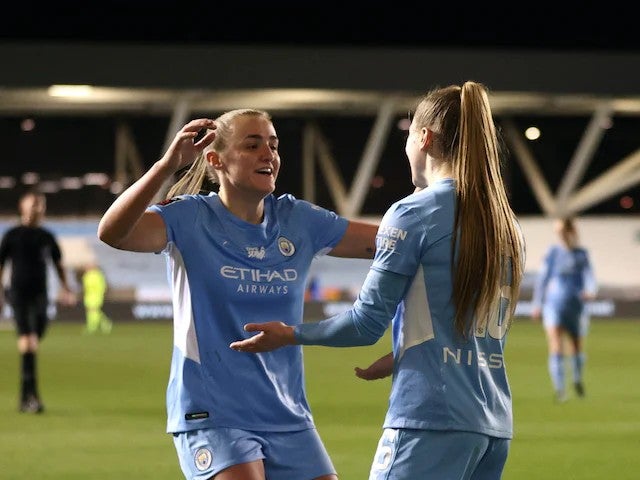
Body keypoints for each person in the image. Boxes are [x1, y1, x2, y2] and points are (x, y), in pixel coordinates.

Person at [230, 81, 526, 480]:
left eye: (407, 137)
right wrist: (405, 353)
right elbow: (469, 326)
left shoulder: (415, 213)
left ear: (425, 138)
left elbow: (365, 325)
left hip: (430, 419)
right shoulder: (504, 222)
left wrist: (290, 334)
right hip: (491, 424)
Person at [97, 110, 378, 480]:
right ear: (215, 159)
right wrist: (168, 166)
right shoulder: (187, 219)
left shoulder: (298, 219)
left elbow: (388, 244)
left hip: (287, 413)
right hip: (213, 413)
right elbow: (113, 233)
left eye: (274, 145)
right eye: (253, 145)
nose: (269, 154)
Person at [0, 188, 76, 413]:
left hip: (41, 295)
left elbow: (58, 265)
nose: (38, 208)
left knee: (35, 338)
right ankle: (30, 397)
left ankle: (26, 397)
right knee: (29, 342)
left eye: (41, 204)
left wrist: (66, 289)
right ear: (22, 207)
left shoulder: (47, 237)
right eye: (34, 203)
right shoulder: (12, 235)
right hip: (19, 295)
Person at [530, 217, 597, 402]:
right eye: (557, 232)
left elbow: (589, 275)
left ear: (571, 232)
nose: (560, 236)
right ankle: (560, 389)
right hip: (554, 304)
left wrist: (590, 291)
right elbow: (543, 279)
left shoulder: (581, 254)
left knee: (575, 346)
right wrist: (537, 303)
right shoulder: (552, 253)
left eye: (562, 231)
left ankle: (576, 379)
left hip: (576, 305)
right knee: (556, 345)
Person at [81, 261, 113, 334]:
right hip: (88, 295)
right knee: (91, 310)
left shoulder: (98, 275)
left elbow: (102, 286)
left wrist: (101, 293)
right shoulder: (86, 275)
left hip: (96, 295)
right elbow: (85, 287)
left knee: (93, 310)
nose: (86, 267)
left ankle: (92, 326)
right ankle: (105, 322)